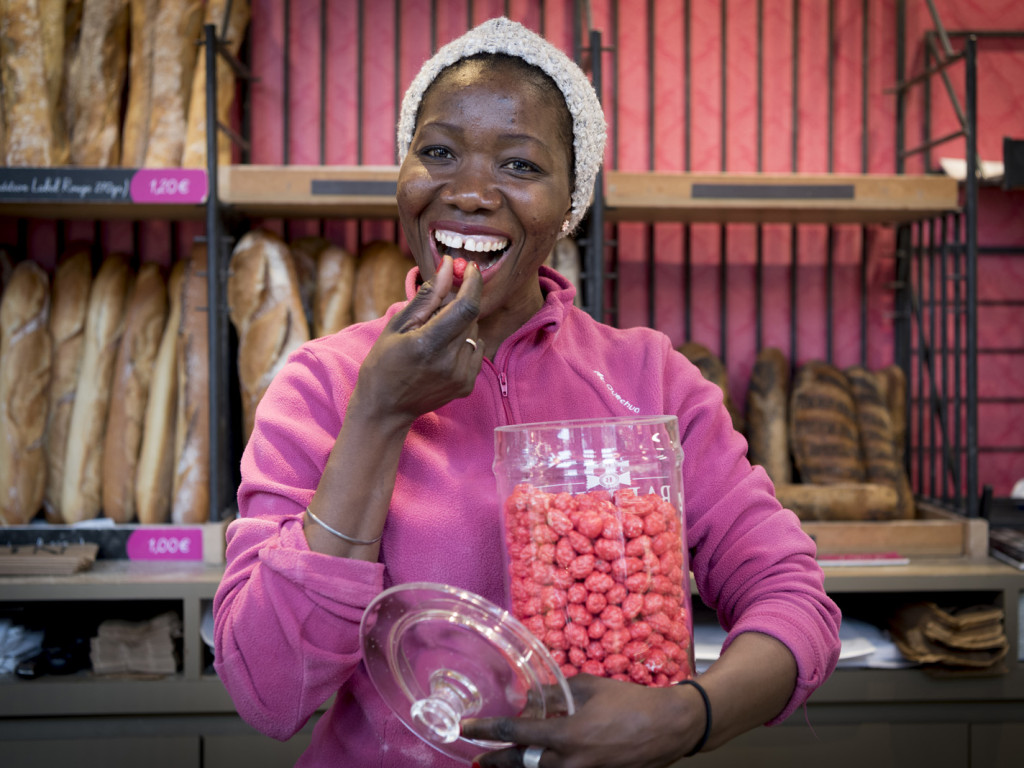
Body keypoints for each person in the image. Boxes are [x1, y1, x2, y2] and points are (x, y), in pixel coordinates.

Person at [213, 16, 841, 768]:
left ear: (570, 202)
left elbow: (793, 596)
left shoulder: (650, 380)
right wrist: (378, 417)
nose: (471, 192)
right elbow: (268, 694)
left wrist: (688, 717)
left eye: (519, 165)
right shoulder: (323, 383)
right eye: (438, 151)